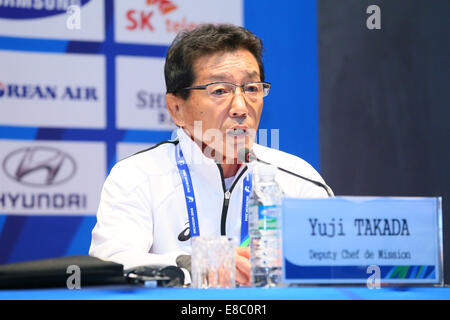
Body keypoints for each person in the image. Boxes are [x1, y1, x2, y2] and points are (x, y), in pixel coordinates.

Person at [89, 24, 332, 286]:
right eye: (220, 91)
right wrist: (193, 265)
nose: (241, 107)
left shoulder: (299, 180)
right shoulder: (138, 176)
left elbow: (334, 266)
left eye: (251, 88)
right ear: (177, 108)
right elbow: (110, 264)